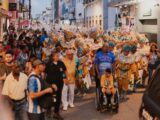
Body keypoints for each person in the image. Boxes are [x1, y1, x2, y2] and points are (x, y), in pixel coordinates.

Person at [46, 51, 66, 120]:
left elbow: (64, 71)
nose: (57, 57)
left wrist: (64, 78)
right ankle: (48, 110)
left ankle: (56, 113)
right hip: (51, 84)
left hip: (60, 83)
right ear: (52, 57)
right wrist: (51, 84)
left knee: (58, 98)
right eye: (56, 56)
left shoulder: (61, 63)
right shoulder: (49, 64)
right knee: (51, 98)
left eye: (58, 56)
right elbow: (47, 75)